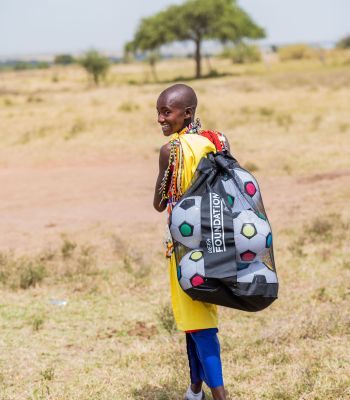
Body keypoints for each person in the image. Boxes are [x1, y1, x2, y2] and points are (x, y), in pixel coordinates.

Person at [153, 84, 230, 400]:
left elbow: (159, 203)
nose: (160, 119)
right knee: (195, 319)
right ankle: (195, 388)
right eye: (158, 112)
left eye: (166, 112)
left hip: (187, 249)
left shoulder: (171, 151)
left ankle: (220, 396)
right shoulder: (217, 141)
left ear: (187, 113)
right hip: (220, 243)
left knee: (200, 325)